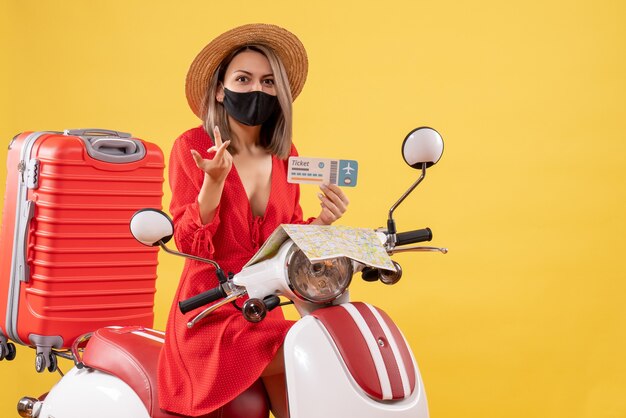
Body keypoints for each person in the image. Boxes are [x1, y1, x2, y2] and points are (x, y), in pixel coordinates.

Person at [158, 24, 349, 418]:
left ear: (279, 92)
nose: (255, 90)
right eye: (242, 79)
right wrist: (213, 181)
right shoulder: (192, 147)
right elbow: (190, 245)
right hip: (211, 312)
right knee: (306, 351)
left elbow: (286, 240)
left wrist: (325, 221)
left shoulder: (284, 154)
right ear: (219, 90)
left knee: (320, 349)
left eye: (267, 81)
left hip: (264, 308)